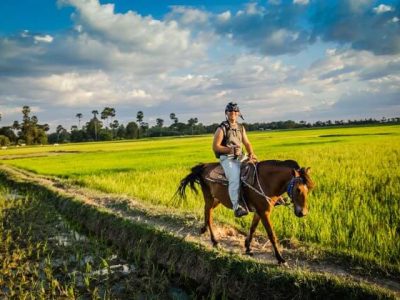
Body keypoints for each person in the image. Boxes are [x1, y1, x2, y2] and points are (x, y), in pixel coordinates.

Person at [212, 102, 257, 217]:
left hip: (240, 156)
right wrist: (230, 150)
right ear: (226, 113)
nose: (233, 113)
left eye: (235, 111)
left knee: (257, 168)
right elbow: (216, 146)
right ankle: (237, 207)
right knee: (234, 178)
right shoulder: (222, 128)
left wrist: (251, 153)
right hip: (227, 158)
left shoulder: (241, 127)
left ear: (238, 113)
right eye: (230, 111)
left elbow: (247, 142)